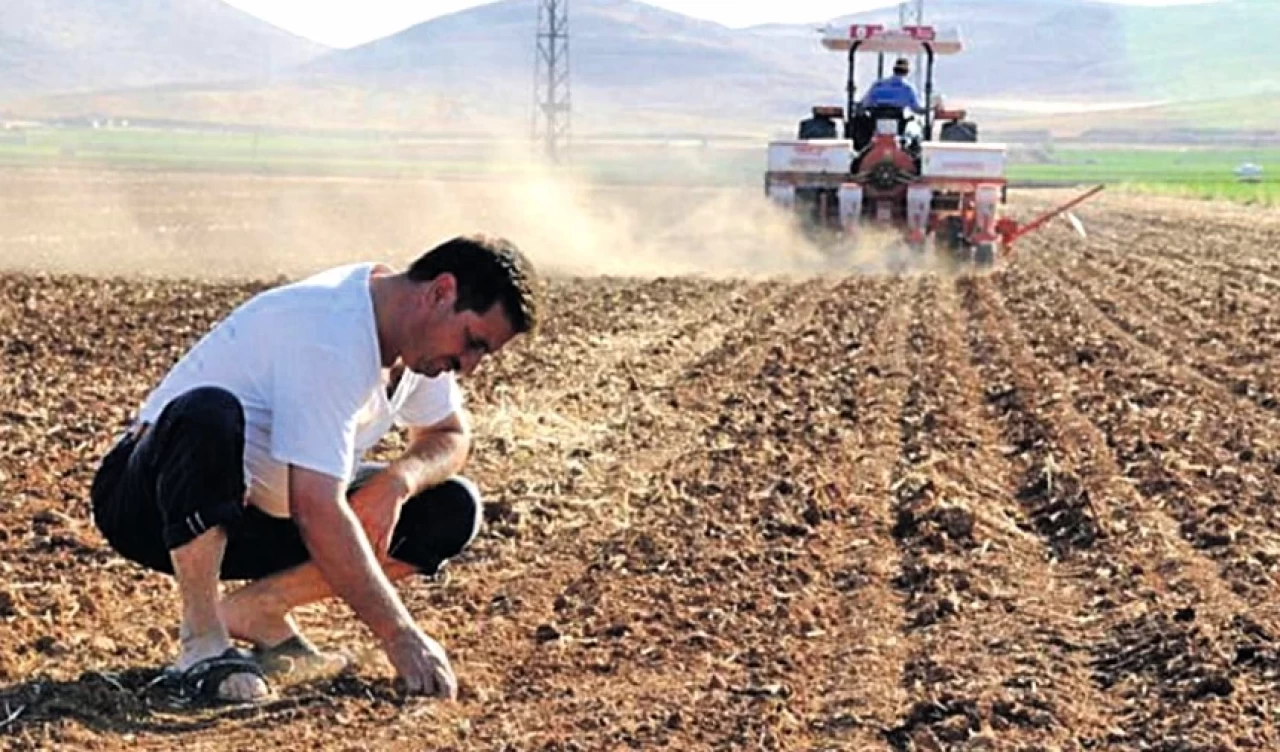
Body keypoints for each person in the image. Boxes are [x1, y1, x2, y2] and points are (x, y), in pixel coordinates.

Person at [89, 234, 540, 705]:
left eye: (481, 354)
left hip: (262, 514)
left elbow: (449, 434)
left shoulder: (418, 350)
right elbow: (316, 507)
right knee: (208, 413)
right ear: (440, 292)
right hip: (153, 505)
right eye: (472, 343)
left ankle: (261, 608)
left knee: (451, 507)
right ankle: (202, 642)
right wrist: (400, 636)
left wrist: (397, 481)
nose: (467, 366)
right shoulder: (331, 330)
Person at [860, 57, 926, 115]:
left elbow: (865, 103)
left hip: (876, 121)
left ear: (894, 70)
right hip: (899, 124)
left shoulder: (878, 85)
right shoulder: (908, 88)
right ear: (907, 72)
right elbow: (916, 108)